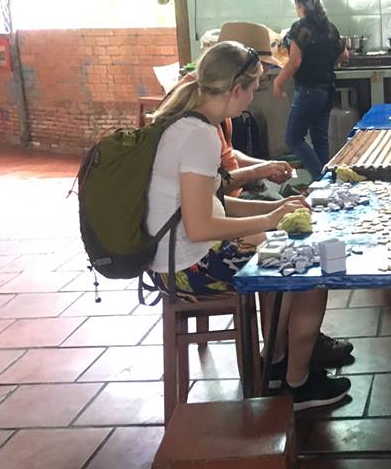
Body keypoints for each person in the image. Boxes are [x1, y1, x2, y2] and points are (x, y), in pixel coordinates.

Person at [147, 40, 351, 410]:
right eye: (253, 89)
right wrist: (270, 219)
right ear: (235, 89)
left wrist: (274, 214)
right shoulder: (199, 136)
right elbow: (200, 226)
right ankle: (297, 384)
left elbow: (214, 203)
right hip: (186, 267)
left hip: (180, 255)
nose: (253, 98)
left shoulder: (187, 122)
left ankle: (274, 364)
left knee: (286, 246)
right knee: (311, 266)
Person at [273, 0, 348, 180]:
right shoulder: (329, 27)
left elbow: (295, 61)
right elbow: (344, 55)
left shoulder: (300, 28)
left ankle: (322, 179)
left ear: (299, 5)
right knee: (320, 141)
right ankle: (327, 183)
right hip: (327, 90)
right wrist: (323, 61)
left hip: (308, 91)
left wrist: (278, 83)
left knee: (293, 138)